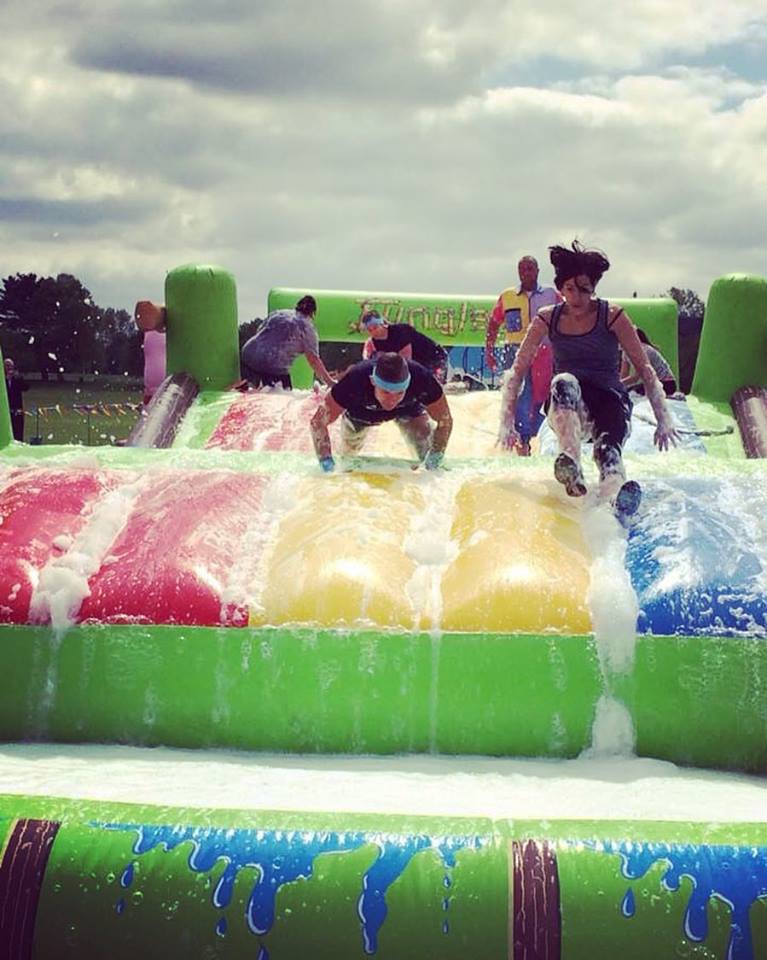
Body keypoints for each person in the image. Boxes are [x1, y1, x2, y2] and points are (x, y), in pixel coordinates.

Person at [499, 241, 678, 516]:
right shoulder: (548, 318)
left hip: (608, 400)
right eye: (570, 289)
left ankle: (614, 497)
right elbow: (517, 371)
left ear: (594, 288)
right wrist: (506, 422)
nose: (577, 297)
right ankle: (571, 463)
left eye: (584, 289)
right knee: (564, 381)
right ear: (561, 288)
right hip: (569, 405)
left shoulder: (612, 315)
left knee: (608, 451)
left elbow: (645, 369)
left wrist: (663, 420)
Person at [310, 351, 453, 472]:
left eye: (399, 393)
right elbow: (317, 422)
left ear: (408, 384)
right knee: (347, 458)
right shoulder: (354, 380)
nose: (392, 400)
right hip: (361, 413)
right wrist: (326, 462)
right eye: (386, 392)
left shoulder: (422, 379)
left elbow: (445, 420)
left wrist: (436, 456)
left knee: (427, 450)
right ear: (373, 381)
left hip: (408, 410)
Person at [485, 255, 561, 455]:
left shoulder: (551, 295)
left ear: (537, 271)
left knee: (542, 394)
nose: (525, 273)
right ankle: (522, 439)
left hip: (544, 351)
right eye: (521, 269)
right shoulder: (507, 296)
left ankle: (541, 436)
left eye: (529, 269)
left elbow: (566, 319)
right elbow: (493, 324)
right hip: (516, 351)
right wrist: (489, 350)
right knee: (519, 395)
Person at [241, 295, 335, 389]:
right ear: (312, 313)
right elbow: (314, 360)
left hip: (248, 354)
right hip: (272, 366)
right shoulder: (307, 328)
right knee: (285, 394)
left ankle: (246, 385)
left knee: (251, 390)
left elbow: (259, 330)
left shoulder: (279, 313)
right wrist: (329, 381)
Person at [360, 310, 449, 382]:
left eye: (375, 327)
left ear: (381, 324)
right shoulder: (374, 342)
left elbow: (406, 361)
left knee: (431, 385)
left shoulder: (401, 331)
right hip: (418, 361)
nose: (374, 332)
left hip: (435, 356)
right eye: (370, 330)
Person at [621, 328, 677, 396]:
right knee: (624, 391)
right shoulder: (625, 351)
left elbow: (636, 377)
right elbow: (624, 375)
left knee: (632, 393)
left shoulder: (644, 350)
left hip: (667, 384)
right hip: (652, 383)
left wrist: (617, 384)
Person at [4, 357, 29, 442]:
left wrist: (18, 377)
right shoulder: (2, 380)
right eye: (6, 366)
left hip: (17, 409)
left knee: (18, 432)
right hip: (5, 410)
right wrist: (7, 379)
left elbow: (26, 388)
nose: (9, 368)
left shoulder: (17, 378)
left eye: (10, 366)